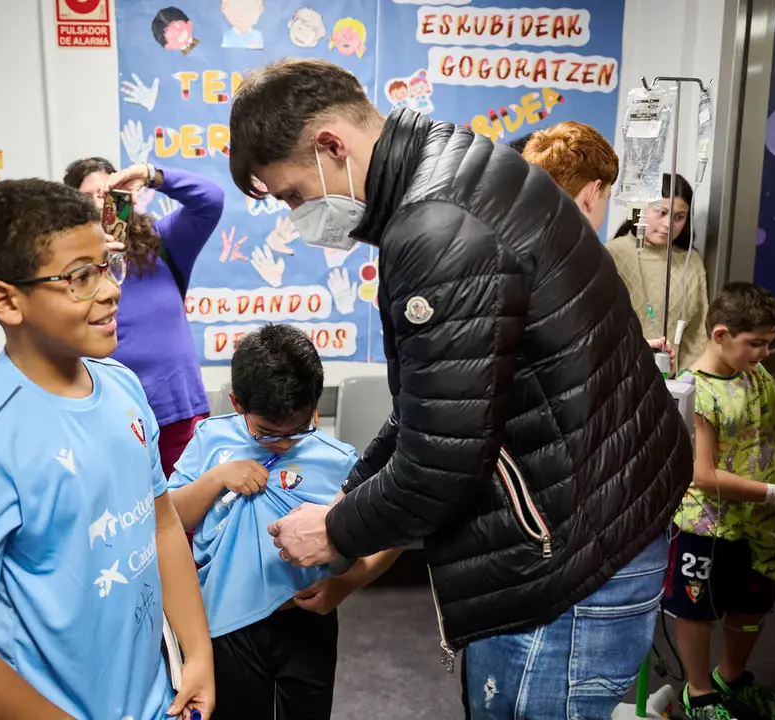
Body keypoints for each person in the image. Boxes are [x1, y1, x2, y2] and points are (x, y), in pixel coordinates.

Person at [227, 59, 692, 718]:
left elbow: (442, 460)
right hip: (602, 513)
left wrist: (335, 530)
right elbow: (438, 408)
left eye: (294, 195)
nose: (299, 217)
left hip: (570, 559)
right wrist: (356, 487)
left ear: (332, 146)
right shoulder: (462, 165)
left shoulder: (436, 232)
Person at [0, 179, 214, 720]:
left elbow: (160, 524)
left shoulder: (122, 386)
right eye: (80, 278)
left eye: (107, 265)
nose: (112, 290)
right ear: (6, 301)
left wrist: (197, 653)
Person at [168, 323, 401, 719]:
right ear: (237, 403)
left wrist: (342, 587)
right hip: (226, 627)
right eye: (267, 432)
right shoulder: (211, 440)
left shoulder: (338, 459)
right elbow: (168, 521)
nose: (284, 442)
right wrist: (214, 480)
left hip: (307, 623)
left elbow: (392, 534)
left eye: (299, 429)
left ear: (314, 404)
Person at [667, 283, 775, 720]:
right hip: (708, 526)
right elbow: (704, 474)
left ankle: (730, 679)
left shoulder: (756, 375)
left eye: (769, 343)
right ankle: (698, 694)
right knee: (696, 608)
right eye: (757, 343)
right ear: (720, 335)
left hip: (760, 525)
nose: (765, 353)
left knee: (752, 605)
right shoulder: (694, 390)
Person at [65, 158, 224, 477]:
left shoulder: (161, 241)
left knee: (185, 516)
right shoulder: (63, 265)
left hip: (176, 410)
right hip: (105, 414)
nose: (99, 200)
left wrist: (150, 176)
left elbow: (211, 199)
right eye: (86, 196)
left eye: (107, 191)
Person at [522, 121, 677, 363]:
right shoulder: (578, 265)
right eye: (607, 196)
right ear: (593, 194)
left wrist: (634, 350)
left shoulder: (512, 246)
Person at [607, 172, 708, 374]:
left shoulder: (691, 261)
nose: (668, 225)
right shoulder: (612, 254)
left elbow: (698, 332)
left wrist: (685, 377)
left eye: (679, 217)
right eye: (661, 213)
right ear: (640, 209)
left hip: (672, 380)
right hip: (619, 373)